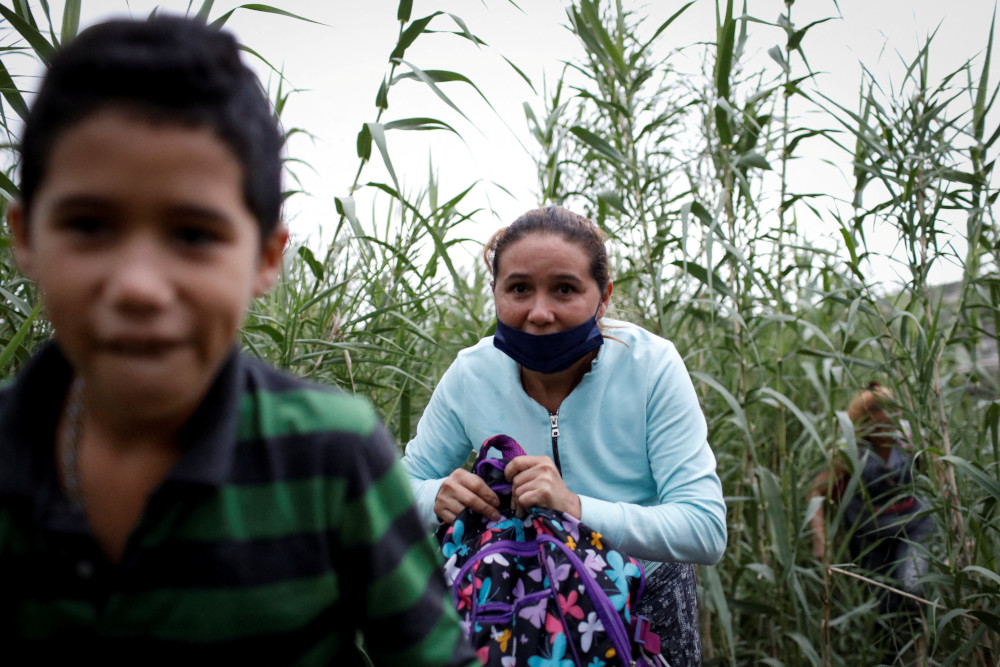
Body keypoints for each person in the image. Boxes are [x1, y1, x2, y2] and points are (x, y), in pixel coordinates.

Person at [0, 16, 475, 665]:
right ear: (25, 236)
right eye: (89, 225)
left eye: (193, 235)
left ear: (266, 257)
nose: (139, 285)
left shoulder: (328, 453)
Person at [401, 206, 728, 667]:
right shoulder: (471, 375)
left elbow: (705, 528)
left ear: (603, 297)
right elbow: (391, 492)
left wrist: (575, 508)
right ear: (495, 292)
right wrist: (435, 494)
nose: (539, 312)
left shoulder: (651, 366)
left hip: (644, 600)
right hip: (516, 600)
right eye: (518, 288)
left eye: (565, 289)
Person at [809, 383, 933, 656]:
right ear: (865, 417)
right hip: (871, 538)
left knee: (913, 586)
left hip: (914, 528)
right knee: (885, 608)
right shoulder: (851, 450)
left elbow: (941, 473)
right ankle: (895, 657)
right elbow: (818, 492)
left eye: (890, 407)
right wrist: (820, 540)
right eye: (877, 409)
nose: (886, 416)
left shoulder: (909, 438)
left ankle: (922, 650)